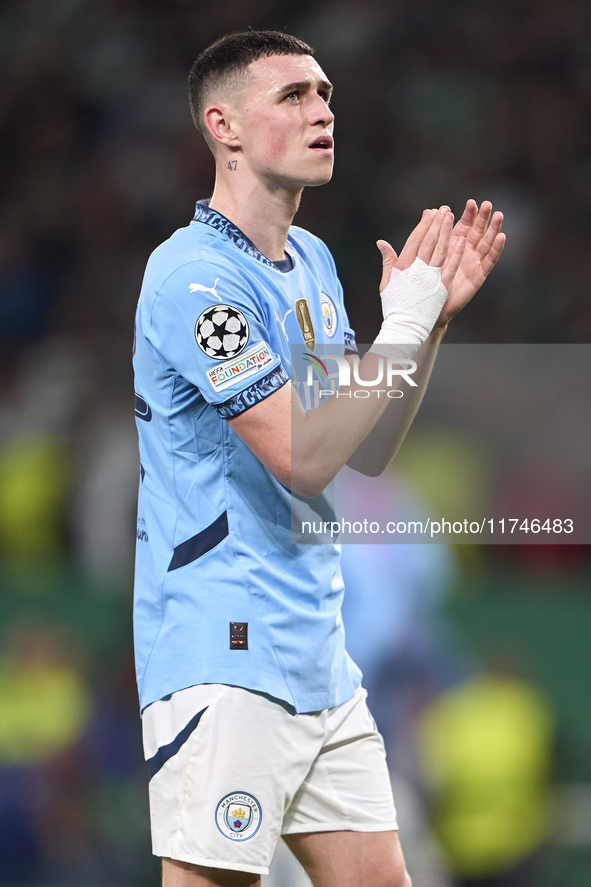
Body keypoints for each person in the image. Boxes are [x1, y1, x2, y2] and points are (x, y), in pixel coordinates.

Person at [132, 30, 505, 887]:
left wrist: (429, 322)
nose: (323, 111)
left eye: (326, 93)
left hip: (317, 654)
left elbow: (362, 448)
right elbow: (299, 459)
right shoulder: (192, 277)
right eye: (293, 96)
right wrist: (401, 329)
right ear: (222, 126)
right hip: (227, 647)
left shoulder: (311, 264)